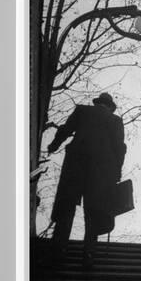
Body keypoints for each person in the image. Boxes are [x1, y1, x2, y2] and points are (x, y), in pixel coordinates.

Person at [47, 93, 126, 269]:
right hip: (100, 172)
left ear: (98, 103)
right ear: (110, 107)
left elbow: (65, 130)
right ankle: (88, 254)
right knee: (93, 212)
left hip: (75, 165)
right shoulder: (115, 121)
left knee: (67, 206)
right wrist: (117, 172)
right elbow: (119, 148)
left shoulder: (82, 111)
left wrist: (53, 146)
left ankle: (58, 250)